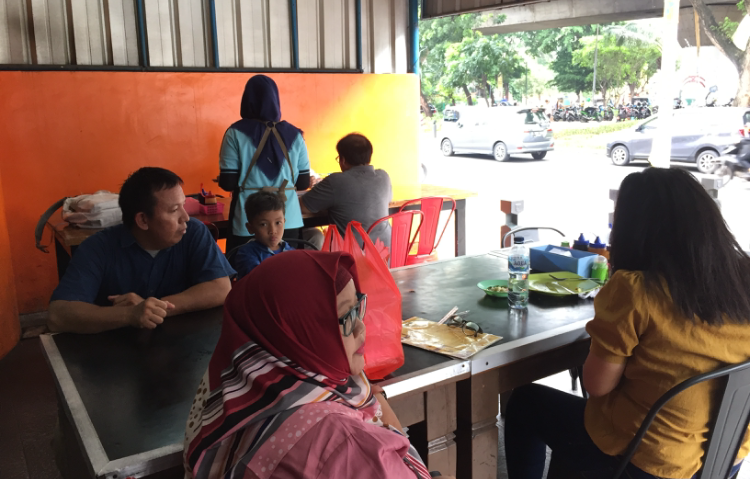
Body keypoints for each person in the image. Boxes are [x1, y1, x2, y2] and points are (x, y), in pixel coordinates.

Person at [504, 167, 750, 479]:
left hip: (647, 462)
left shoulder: (635, 289)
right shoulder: (743, 278)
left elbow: (597, 385)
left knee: (526, 402)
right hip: (727, 458)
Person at [183, 251, 454, 479]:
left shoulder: (229, 392)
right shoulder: (344, 441)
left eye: (357, 307)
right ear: (299, 333)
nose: (361, 328)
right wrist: (374, 400)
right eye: (344, 316)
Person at [47, 167, 235, 334]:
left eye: (184, 206)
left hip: (180, 349)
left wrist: (153, 307)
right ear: (143, 220)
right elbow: (58, 315)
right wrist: (128, 315)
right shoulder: (98, 248)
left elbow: (220, 288)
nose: (185, 217)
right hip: (116, 356)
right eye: (174, 210)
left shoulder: (193, 232)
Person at [218, 75, 311, 254]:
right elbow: (303, 183)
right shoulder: (295, 134)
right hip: (287, 220)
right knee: (288, 270)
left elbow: (228, 183)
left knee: (247, 270)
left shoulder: (234, 133)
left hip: (250, 220)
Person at [299, 133, 392, 247]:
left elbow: (303, 206)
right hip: (384, 256)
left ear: (342, 160)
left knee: (315, 237)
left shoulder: (335, 181)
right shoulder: (384, 177)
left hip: (350, 260)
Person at [231, 191, 294, 279]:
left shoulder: (291, 251)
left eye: (278, 223)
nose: (272, 231)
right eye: (263, 224)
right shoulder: (247, 254)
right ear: (250, 228)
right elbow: (258, 282)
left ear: (284, 222)